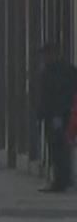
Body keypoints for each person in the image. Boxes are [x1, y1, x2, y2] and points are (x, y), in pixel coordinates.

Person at [35, 42, 77, 193]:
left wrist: (59, 112)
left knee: (59, 147)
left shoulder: (63, 71)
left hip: (60, 115)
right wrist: (41, 112)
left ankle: (62, 180)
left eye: (46, 54)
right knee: (55, 147)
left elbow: (63, 95)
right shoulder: (48, 71)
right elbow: (45, 96)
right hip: (52, 115)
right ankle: (61, 179)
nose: (45, 58)